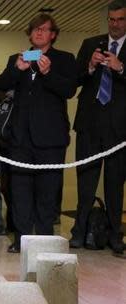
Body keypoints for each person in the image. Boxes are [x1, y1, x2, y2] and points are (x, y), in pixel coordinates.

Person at [0, 14, 77, 253]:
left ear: (53, 34)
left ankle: (43, 239)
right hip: (19, 137)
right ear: (29, 34)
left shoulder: (64, 59)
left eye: (44, 29)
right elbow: (1, 84)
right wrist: (17, 69)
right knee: (19, 191)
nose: (39, 33)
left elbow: (69, 90)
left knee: (47, 191)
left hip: (51, 138)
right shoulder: (17, 58)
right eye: (35, 29)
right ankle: (20, 238)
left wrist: (48, 72)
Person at [70, 0, 126, 257]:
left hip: (119, 129)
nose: (115, 24)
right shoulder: (91, 43)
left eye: (120, 20)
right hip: (90, 125)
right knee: (85, 183)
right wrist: (90, 67)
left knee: (115, 185)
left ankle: (116, 237)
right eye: (111, 20)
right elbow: (75, 81)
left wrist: (121, 67)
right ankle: (78, 233)